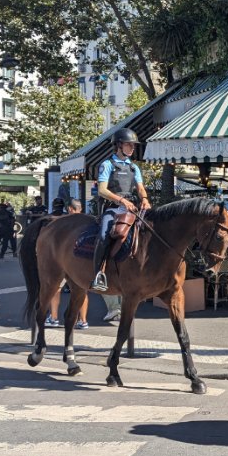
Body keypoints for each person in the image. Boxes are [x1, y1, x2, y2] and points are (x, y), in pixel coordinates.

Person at [90, 128, 150, 326]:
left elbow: (140, 187)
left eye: (133, 145)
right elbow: (102, 190)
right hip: (113, 209)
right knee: (103, 236)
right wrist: (121, 200)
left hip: (132, 208)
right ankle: (99, 274)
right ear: (119, 146)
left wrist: (145, 199)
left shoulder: (134, 168)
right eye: (129, 144)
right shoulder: (107, 164)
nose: (132, 148)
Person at [49, 198, 89, 328]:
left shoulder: (64, 223)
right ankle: (82, 320)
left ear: (70, 209)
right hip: (81, 262)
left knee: (56, 288)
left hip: (64, 261)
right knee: (82, 291)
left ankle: (54, 318)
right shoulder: (87, 222)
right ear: (81, 209)